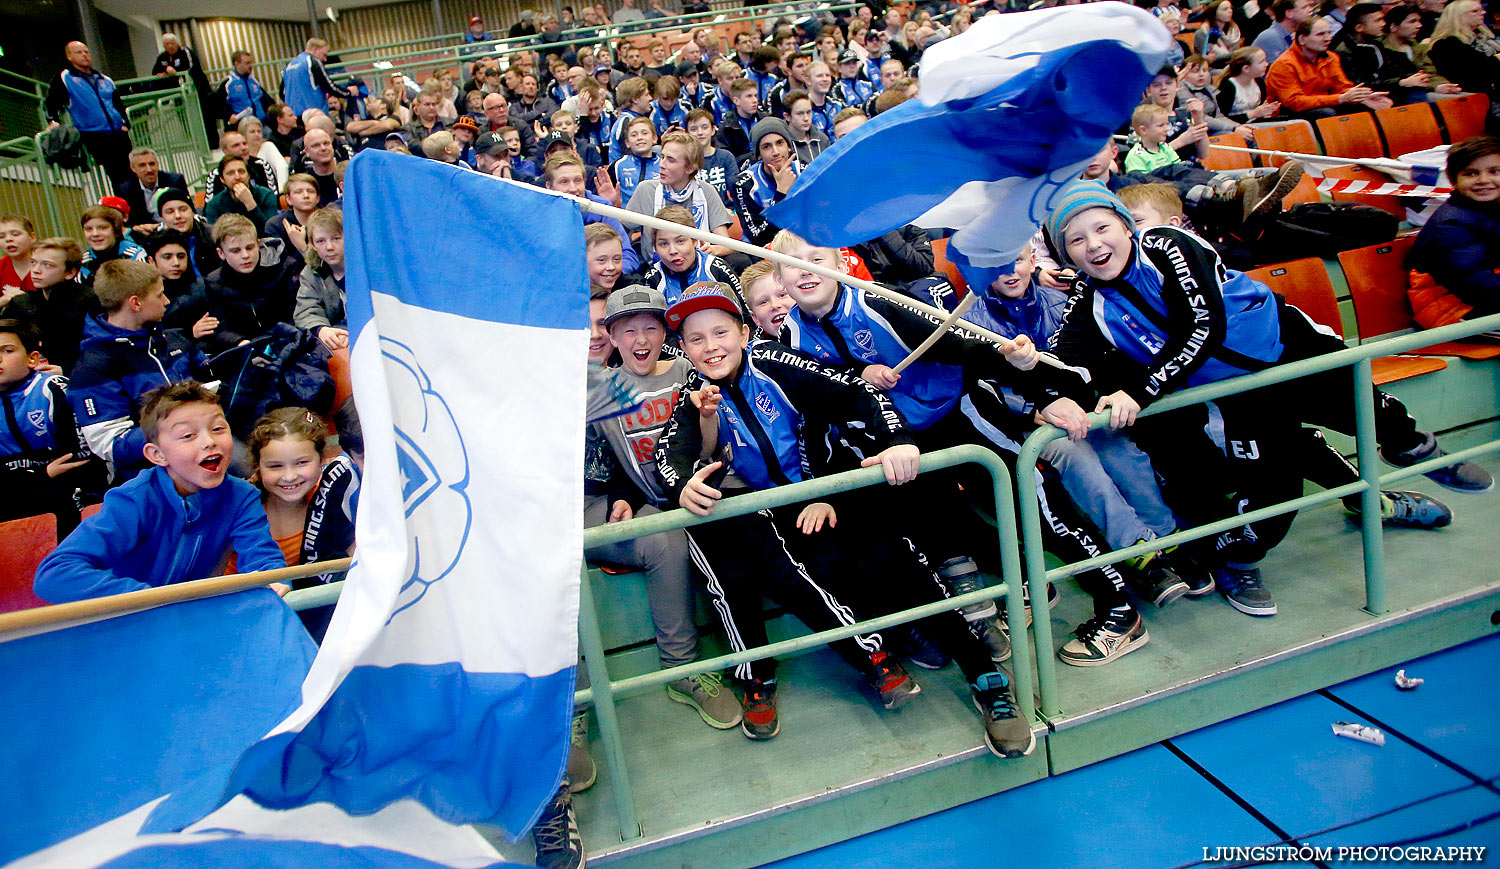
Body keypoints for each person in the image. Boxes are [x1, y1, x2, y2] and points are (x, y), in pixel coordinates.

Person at [1044, 181, 1491, 620]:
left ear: (1125, 227)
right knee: (1276, 485)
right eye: (1076, 240)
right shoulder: (1088, 300)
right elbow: (1062, 358)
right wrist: (1050, 396)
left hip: (1288, 347)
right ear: (1067, 256)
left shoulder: (1165, 243)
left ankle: (1417, 450)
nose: (1093, 245)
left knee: (1370, 412)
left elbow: (1203, 324)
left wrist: (1138, 391)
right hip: (1238, 393)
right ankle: (1240, 560)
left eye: (1102, 228)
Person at [654, 282, 1033, 756]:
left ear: (746, 331)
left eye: (720, 332)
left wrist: (894, 442)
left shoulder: (774, 361)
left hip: (835, 488)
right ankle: (900, 632)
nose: (711, 347)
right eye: (696, 339)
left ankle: (987, 678)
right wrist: (683, 484)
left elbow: (859, 394)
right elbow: (671, 455)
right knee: (818, 567)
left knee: (894, 559)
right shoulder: (694, 395)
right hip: (785, 513)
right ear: (684, 349)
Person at [769, 230, 1140, 665]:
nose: (806, 269)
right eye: (793, 263)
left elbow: (960, 344)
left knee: (1036, 509)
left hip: (961, 416)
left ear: (840, 263)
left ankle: (1118, 606)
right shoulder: (790, 336)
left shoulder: (878, 301)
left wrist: (1028, 375)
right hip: (901, 446)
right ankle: (1020, 588)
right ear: (779, 276)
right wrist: (858, 376)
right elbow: (821, 403)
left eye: (816, 257)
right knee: (949, 524)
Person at [587, 285, 742, 729]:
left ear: (665, 333)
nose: (640, 340)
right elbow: (610, 464)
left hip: (711, 490)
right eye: (627, 330)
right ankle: (683, 668)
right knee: (663, 535)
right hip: (658, 507)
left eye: (650, 328)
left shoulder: (688, 371)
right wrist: (624, 496)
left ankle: (757, 670)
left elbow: (716, 440)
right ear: (611, 337)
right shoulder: (599, 393)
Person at [34, 380, 284, 604]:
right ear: (158, 455)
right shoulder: (133, 500)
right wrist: (150, 601)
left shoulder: (242, 496)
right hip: (133, 622)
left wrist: (272, 581)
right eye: (188, 435)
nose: (209, 441)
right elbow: (55, 573)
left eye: (218, 429)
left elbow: (264, 561)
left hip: (194, 621)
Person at [66, 260, 207, 482]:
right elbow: (111, 444)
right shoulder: (94, 365)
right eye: (159, 295)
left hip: (203, 453)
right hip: (147, 476)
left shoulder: (171, 340)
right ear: (136, 303)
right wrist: (179, 428)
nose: (167, 302)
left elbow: (210, 381)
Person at [0, 318, 98, 537]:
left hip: (63, 493)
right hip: (18, 491)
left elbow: (79, 460)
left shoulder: (54, 390)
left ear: (32, 359)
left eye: (7, 350)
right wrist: (40, 474)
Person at [177, 215, 300, 356]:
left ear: (258, 244)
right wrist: (238, 342)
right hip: (244, 350)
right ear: (221, 253)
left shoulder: (285, 268)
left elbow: (294, 312)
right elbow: (219, 328)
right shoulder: (213, 283)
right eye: (236, 251)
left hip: (286, 341)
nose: (245, 255)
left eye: (250, 247)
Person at [1409, 136, 1500, 321]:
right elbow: (1477, 286)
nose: (1483, 180)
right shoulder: (1450, 225)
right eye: (1470, 173)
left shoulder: (1491, 209)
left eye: (1494, 171)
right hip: (1454, 310)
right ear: (1453, 181)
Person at [624, 132, 733, 263]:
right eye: (662, 157)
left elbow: (726, 244)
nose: (661, 164)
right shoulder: (646, 190)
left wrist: (714, 250)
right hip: (655, 266)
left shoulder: (706, 191)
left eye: (670, 160)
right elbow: (619, 232)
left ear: (690, 168)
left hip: (699, 263)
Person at [1266, 15, 1393, 118]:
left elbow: (1342, 86)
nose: (1328, 38)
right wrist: (1339, 99)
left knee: (1370, 106)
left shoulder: (1331, 57)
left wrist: (1362, 98)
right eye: (1321, 34)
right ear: (1303, 39)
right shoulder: (1284, 65)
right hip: (1288, 112)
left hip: (1324, 103)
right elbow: (1294, 102)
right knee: (1328, 113)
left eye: (1329, 33)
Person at [4, 237, 97, 376]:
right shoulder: (20, 303)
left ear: (70, 272)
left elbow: (104, 349)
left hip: (80, 376)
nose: (35, 270)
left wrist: (67, 370)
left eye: (47, 265)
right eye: (33, 262)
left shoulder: (91, 301)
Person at [45, 41, 132, 188]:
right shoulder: (65, 78)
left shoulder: (105, 79)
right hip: (95, 135)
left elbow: (118, 105)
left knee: (132, 172)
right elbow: (51, 102)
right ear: (69, 56)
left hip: (118, 133)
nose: (84, 55)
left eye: (86, 52)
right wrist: (53, 121)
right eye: (79, 52)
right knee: (118, 177)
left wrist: (125, 123)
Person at [640, 206, 741, 300]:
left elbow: (747, 314)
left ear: (695, 240)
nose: (673, 251)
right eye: (664, 244)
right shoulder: (653, 278)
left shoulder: (717, 269)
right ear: (655, 248)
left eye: (680, 241)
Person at [734, 119, 801, 246]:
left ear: (789, 147)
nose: (775, 152)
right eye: (766, 146)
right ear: (759, 154)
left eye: (780, 143)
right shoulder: (744, 185)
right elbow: (758, 239)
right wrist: (781, 195)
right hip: (769, 252)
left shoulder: (805, 173)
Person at [1425, 0, 1500, 113]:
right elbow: (1484, 69)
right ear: (1458, 17)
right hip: (1475, 99)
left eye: (1481, 9)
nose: (1483, 12)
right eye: (1475, 11)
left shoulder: (1486, 38)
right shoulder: (1446, 45)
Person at [294, 208, 348, 353]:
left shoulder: (364, 266)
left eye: (336, 238)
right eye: (321, 241)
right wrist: (321, 330)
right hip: (334, 339)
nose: (329, 247)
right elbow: (306, 311)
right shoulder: (311, 272)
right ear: (312, 244)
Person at [151, 33, 216, 145]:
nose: (170, 46)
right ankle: (195, 143)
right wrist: (166, 69)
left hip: (198, 91)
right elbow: (155, 71)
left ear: (177, 43)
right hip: (180, 94)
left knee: (205, 117)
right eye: (167, 44)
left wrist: (173, 71)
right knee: (185, 119)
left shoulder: (185, 52)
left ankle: (212, 144)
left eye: (172, 43)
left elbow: (190, 67)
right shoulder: (162, 57)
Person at [116, 148, 186, 232]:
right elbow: (128, 222)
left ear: (158, 164)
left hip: (174, 229)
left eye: (152, 164)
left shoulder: (175, 181)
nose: (149, 169)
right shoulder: (126, 189)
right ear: (133, 168)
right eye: (142, 165)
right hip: (146, 233)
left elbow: (187, 210)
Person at [203, 155, 279, 231]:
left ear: (248, 176)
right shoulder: (214, 204)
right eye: (230, 173)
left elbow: (269, 231)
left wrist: (250, 204)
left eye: (241, 171)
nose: (237, 177)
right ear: (222, 179)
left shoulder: (266, 195)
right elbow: (215, 236)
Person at [283, 38, 354, 118]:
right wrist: (348, 92)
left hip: (294, 115)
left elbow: (282, 93)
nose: (325, 59)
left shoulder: (289, 65)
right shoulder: (313, 62)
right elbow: (329, 86)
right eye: (324, 55)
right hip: (314, 114)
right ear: (315, 49)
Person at [78, 205, 147, 285]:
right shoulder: (83, 262)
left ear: (116, 230)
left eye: (103, 228)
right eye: (88, 229)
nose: (95, 234)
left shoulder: (135, 254)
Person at [684, 109, 738, 211]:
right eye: (694, 129)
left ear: (713, 130)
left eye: (705, 127)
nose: (700, 133)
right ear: (687, 133)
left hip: (726, 213)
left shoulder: (726, 157)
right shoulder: (684, 160)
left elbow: (736, 193)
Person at [1216, 47, 1284, 122]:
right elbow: (1220, 119)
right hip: (1235, 127)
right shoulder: (1228, 86)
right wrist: (1252, 114)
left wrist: (1269, 109)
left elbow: (1260, 112)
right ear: (1246, 68)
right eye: (1261, 62)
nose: (1266, 64)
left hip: (1256, 123)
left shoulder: (1259, 82)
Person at [218, 50, 275, 129]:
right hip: (242, 127)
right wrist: (229, 116)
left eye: (251, 62)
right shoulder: (228, 83)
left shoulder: (254, 81)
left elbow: (266, 100)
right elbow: (217, 105)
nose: (251, 66)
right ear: (236, 64)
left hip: (262, 124)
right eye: (247, 63)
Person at [611, 117, 660, 207]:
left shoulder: (664, 165)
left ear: (654, 138)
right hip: (626, 218)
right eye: (634, 135)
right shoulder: (618, 166)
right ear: (627, 143)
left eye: (644, 133)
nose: (639, 138)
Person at [713, 78, 763, 161]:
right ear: (736, 101)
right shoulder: (727, 127)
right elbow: (725, 160)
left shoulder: (765, 120)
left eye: (755, 95)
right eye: (749, 96)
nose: (755, 100)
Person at [1251, 0, 1316, 61]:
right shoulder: (1271, 36)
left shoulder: (1294, 34)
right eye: (1304, 7)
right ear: (1289, 13)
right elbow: (1283, 69)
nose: (1310, 10)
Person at [240, 117, 290, 191]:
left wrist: (282, 191)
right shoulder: (241, 151)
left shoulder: (267, 146)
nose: (257, 134)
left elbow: (282, 167)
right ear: (243, 135)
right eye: (252, 132)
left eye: (259, 131)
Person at [782, 90, 832, 164]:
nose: (806, 118)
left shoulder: (822, 139)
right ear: (787, 117)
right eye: (800, 113)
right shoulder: (784, 144)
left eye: (808, 112)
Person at [1, 216, 37, 299]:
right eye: (1, 236)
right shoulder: (1, 266)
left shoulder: (48, 263)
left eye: (15, 234)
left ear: (32, 237)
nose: (8, 239)